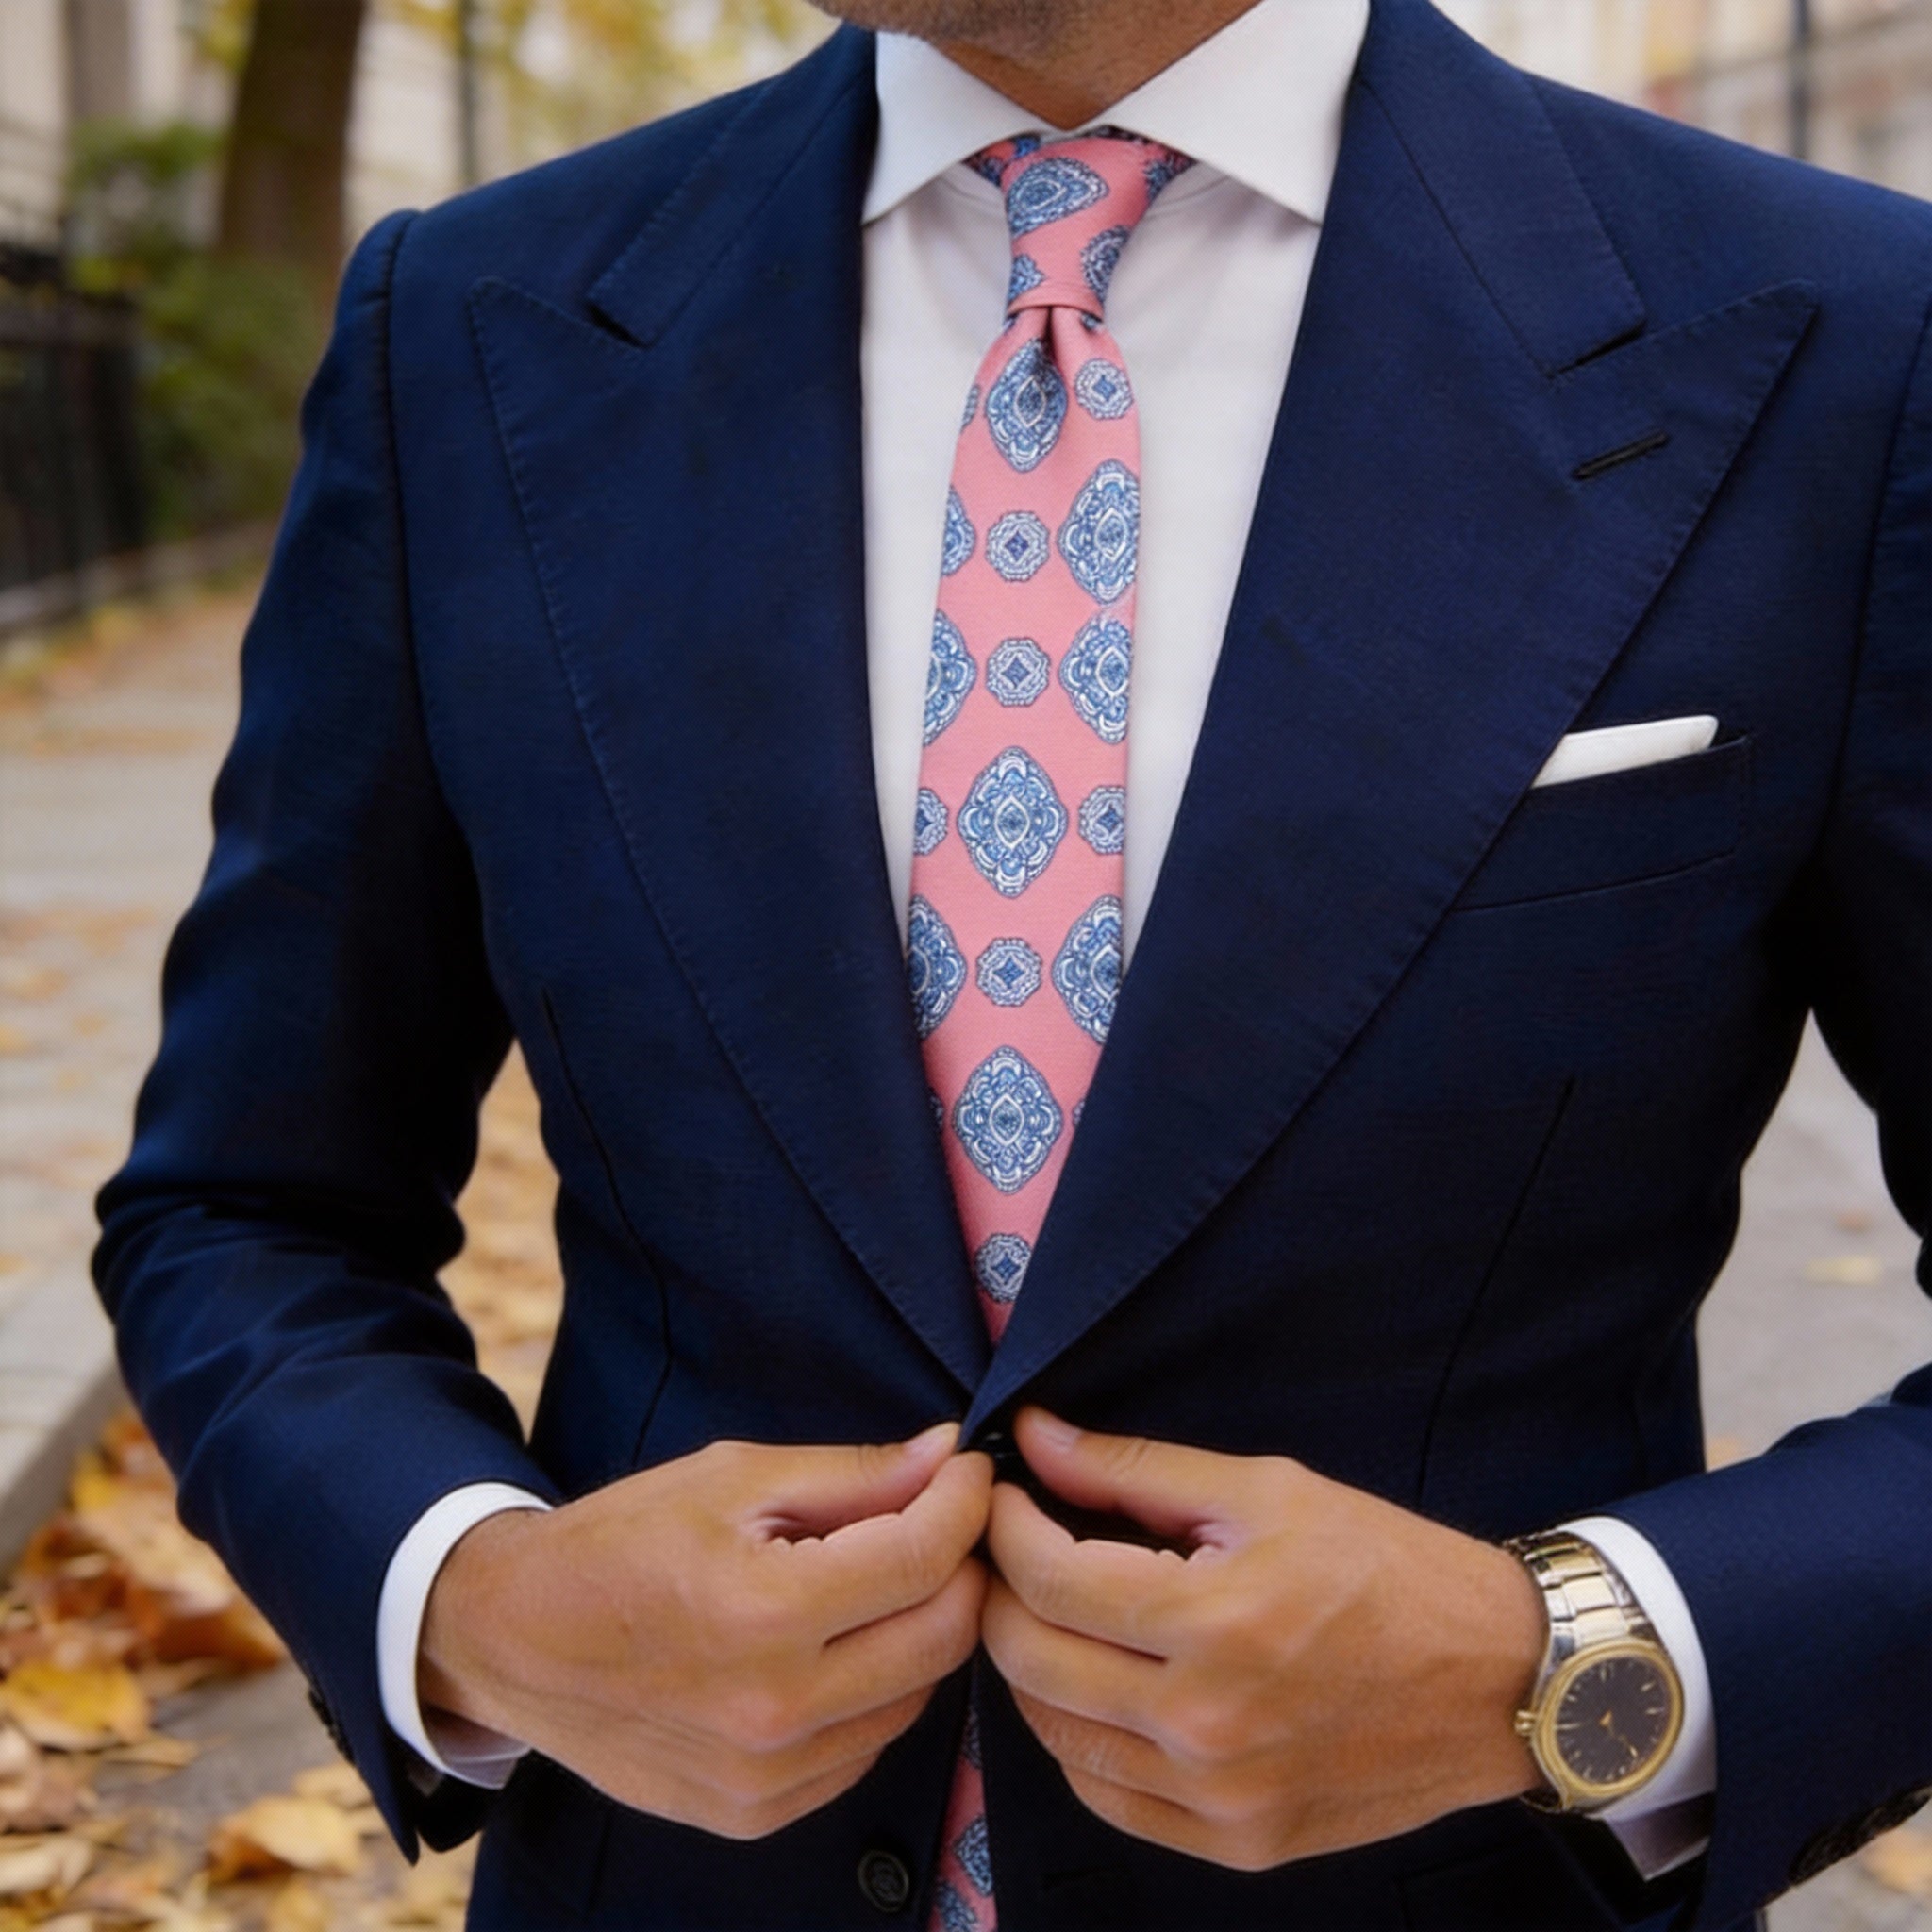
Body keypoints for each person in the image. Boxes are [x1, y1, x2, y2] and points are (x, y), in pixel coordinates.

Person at [92, 0, 1930, 1925]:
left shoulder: (1843, 338)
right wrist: (474, 1598)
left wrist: (1558, 1668)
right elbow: (247, 1201)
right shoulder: (467, 330)